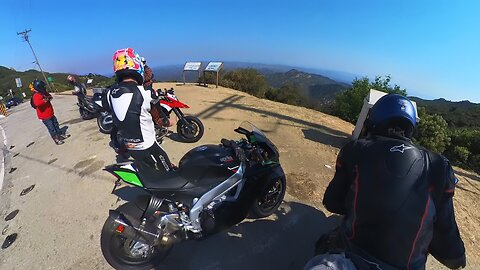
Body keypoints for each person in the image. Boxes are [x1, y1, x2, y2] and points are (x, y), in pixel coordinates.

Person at [316, 94, 466, 269]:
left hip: (354, 257)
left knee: (320, 260)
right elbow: (446, 236)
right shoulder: (439, 166)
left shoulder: (356, 150)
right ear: (411, 127)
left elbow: (332, 202)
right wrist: (457, 257)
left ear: (373, 122)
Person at [109, 48, 173, 171]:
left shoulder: (110, 93)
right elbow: (161, 121)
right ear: (137, 64)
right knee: (166, 168)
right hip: (147, 145)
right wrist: (170, 122)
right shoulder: (146, 94)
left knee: (147, 168)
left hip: (130, 146)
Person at [31, 79, 70, 145]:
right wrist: (45, 100)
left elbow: (50, 96)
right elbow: (37, 103)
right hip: (45, 116)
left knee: (56, 125)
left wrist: (48, 97)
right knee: (51, 128)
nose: (44, 87)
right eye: (43, 86)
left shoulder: (44, 92)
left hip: (51, 113)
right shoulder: (36, 95)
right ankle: (56, 139)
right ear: (39, 87)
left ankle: (60, 135)